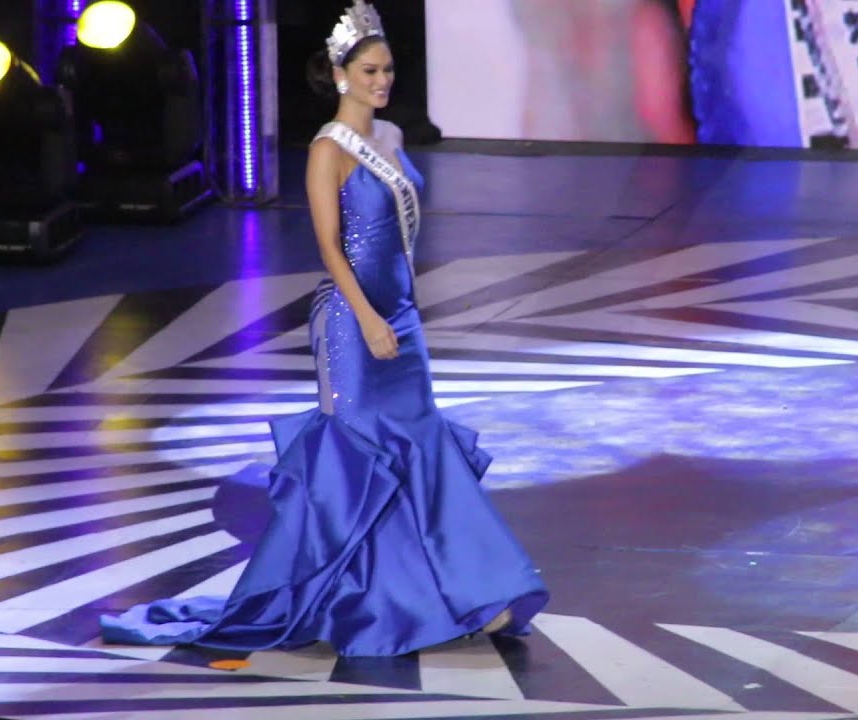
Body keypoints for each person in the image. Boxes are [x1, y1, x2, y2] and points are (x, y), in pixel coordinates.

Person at [100, 0, 549, 657]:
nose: (381, 80)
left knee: (423, 457)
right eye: (369, 70)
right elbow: (331, 248)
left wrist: (401, 314)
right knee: (360, 463)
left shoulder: (386, 140)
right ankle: (355, 601)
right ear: (340, 74)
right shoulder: (327, 151)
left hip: (401, 320)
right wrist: (367, 320)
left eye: (388, 69)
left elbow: (397, 240)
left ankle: (466, 593)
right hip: (350, 323)